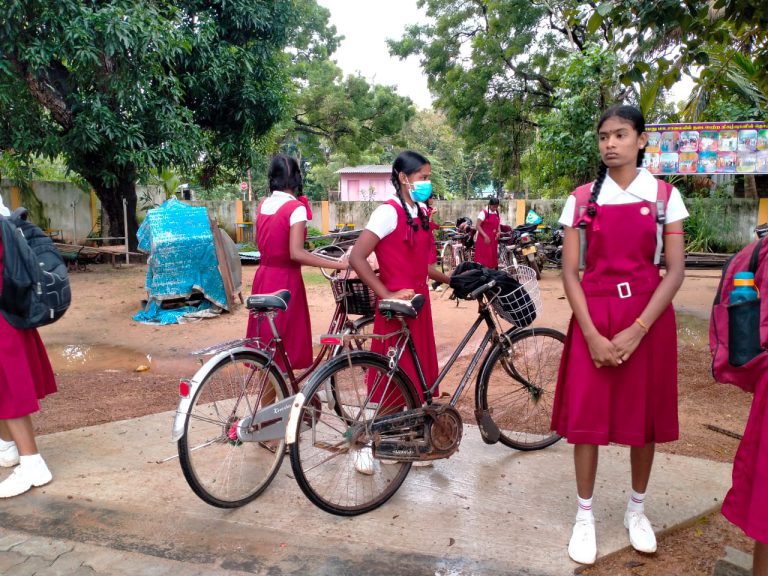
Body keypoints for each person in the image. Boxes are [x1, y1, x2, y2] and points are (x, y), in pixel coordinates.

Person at [550, 105, 688, 565]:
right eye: (604, 137)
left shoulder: (666, 197)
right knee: (586, 421)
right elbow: (570, 272)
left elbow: (674, 271)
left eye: (621, 135)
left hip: (647, 318)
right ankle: (584, 515)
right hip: (594, 312)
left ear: (642, 140)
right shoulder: (583, 199)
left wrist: (639, 329)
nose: (610, 144)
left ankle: (637, 510)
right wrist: (589, 332)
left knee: (641, 418)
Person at [349, 150, 450, 473]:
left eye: (428, 177)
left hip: (419, 308)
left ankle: (404, 443)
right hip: (395, 309)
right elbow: (357, 258)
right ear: (404, 178)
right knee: (390, 379)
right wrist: (386, 294)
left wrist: (452, 279)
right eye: (422, 177)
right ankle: (365, 445)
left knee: (416, 379)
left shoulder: (420, 211)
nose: (427, 183)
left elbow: (426, 265)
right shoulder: (386, 213)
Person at [246, 154, 346, 372]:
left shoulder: (263, 204)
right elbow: (296, 253)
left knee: (268, 349)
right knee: (284, 351)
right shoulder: (295, 208)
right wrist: (339, 264)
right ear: (297, 179)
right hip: (286, 281)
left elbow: (260, 241)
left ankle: (277, 402)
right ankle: (283, 403)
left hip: (263, 277)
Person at [0, 193, 56, 498]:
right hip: (8, 309)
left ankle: (32, 464)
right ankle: (8, 447)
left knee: (8, 387)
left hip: (3, 314)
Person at [474, 197, 501, 269]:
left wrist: (499, 232)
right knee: (484, 259)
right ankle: (483, 274)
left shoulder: (496, 212)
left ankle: (491, 273)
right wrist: (485, 236)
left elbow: (498, 224)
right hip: (484, 239)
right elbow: (477, 226)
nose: (495, 208)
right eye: (493, 206)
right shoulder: (483, 213)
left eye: (496, 206)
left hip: (493, 239)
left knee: (492, 258)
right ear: (489, 205)